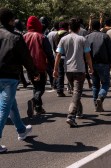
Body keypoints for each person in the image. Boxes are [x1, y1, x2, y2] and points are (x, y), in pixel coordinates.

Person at [0, 8, 40, 153]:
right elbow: (26, 58)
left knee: (11, 105)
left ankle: (22, 130)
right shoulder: (16, 37)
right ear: (11, 20)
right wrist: (34, 72)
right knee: (4, 108)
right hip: (9, 76)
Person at [54, 18, 94, 127]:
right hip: (79, 69)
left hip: (68, 69)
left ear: (69, 28)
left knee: (76, 92)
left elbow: (58, 55)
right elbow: (88, 56)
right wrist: (90, 68)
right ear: (79, 28)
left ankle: (79, 112)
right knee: (77, 93)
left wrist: (55, 69)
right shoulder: (82, 39)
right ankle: (71, 115)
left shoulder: (63, 39)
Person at [23, 16, 55, 117]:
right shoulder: (41, 37)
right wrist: (54, 66)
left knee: (35, 86)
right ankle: (34, 101)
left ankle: (38, 108)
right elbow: (49, 53)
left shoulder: (24, 37)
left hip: (29, 67)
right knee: (41, 88)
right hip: (40, 67)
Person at [86, 20, 111, 112]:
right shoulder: (105, 36)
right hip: (104, 64)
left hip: (92, 64)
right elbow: (110, 52)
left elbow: (85, 53)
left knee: (95, 85)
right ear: (100, 27)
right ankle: (101, 97)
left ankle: (96, 104)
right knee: (105, 83)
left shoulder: (87, 37)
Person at [53, 21, 69, 97]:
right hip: (67, 56)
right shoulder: (67, 35)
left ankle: (59, 90)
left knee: (60, 74)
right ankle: (71, 88)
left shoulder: (56, 35)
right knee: (69, 73)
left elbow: (54, 47)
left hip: (58, 56)